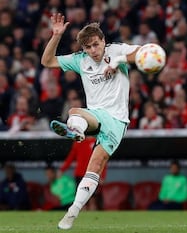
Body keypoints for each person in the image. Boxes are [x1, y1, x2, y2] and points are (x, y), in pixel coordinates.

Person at [40, 13, 141, 229]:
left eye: (96, 45)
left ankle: (72, 211)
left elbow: (143, 52)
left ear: (103, 41)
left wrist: (119, 61)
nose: (93, 51)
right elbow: (47, 61)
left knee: (94, 165)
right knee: (75, 110)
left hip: (117, 121)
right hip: (95, 116)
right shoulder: (80, 60)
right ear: (83, 48)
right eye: (88, 47)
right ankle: (77, 131)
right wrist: (56, 35)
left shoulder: (115, 50)